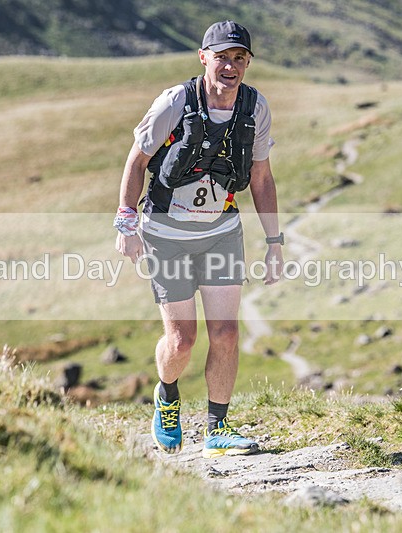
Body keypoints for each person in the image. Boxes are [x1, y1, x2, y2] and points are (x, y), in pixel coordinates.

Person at [114, 21, 283, 458]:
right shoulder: (175, 102)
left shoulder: (255, 108)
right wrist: (126, 223)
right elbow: (137, 160)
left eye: (239, 58)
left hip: (221, 229)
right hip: (166, 231)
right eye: (222, 57)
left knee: (225, 333)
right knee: (182, 340)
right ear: (204, 57)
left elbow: (261, 177)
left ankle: (217, 428)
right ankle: (167, 396)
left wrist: (275, 242)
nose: (231, 66)